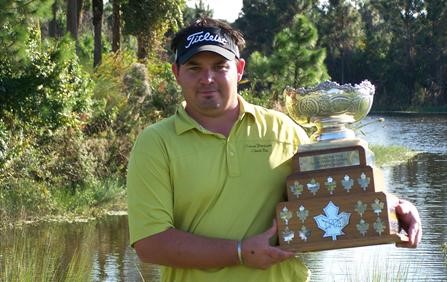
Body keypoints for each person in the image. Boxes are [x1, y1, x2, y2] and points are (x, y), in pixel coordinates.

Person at [126, 17, 422, 282]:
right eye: (194, 68)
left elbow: (338, 185)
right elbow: (151, 244)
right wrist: (240, 252)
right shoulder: (156, 143)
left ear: (239, 69)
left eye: (220, 67)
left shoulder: (282, 129)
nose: (207, 79)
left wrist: (395, 206)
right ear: (177, 72)